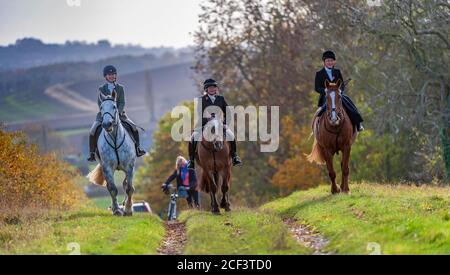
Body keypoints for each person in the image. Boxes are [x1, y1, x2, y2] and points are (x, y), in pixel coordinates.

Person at [87, 65, 147, 161]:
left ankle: (138, 149)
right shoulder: (101, 88)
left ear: (115, 75)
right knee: (92, 131)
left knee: (134, 127)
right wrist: (106, 113)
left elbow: (122, 102)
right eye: (109, 74)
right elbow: (100, 102)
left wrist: (117, 112)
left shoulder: (120, 88)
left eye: (113, 74)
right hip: (104, 115)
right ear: (105, 76)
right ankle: (92, 153)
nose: (111, 76)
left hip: (120, 114)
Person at [187, 78, 242, 168]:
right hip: (204, 124)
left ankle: (235, 156)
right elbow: (199, 113)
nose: (212, 89)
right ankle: (191, 160)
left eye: (214, 87)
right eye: (210, 87)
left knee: (231, 136)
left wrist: (225, 123)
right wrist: (208, 119)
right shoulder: (201, 100)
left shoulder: (221, 99)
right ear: (206, 89)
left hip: (219, 124)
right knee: (193, 138)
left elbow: (228, 112)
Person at [314, 51, 364, 132]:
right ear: (324, 62)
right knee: (319, 112)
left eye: (331, 61)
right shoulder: (319, 73)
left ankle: (358, 124)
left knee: (350, 104)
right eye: (328, 61)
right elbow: (317, 88)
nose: (330, 62)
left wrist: (340, 90)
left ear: (334, 62)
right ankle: (316, 127)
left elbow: (341, 84)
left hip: (337, 95)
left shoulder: (337, 71)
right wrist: (325, 90)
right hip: (326, 96)